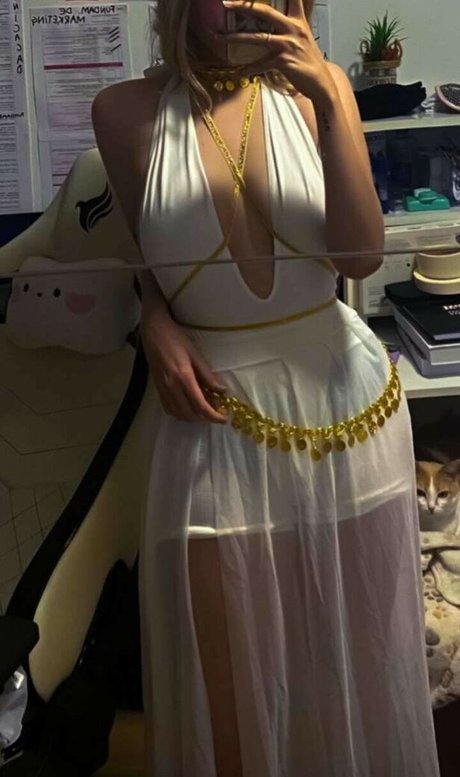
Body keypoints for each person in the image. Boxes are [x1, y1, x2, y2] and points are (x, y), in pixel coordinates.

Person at [92, 1, 440, 775]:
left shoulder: (314, 98)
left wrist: (335, 94)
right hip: (215, 424)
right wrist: (154, 320)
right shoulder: (121, 113)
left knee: (357, 683)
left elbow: (358, 256)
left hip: (346, 411)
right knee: (233, 711)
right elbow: (144, 261)